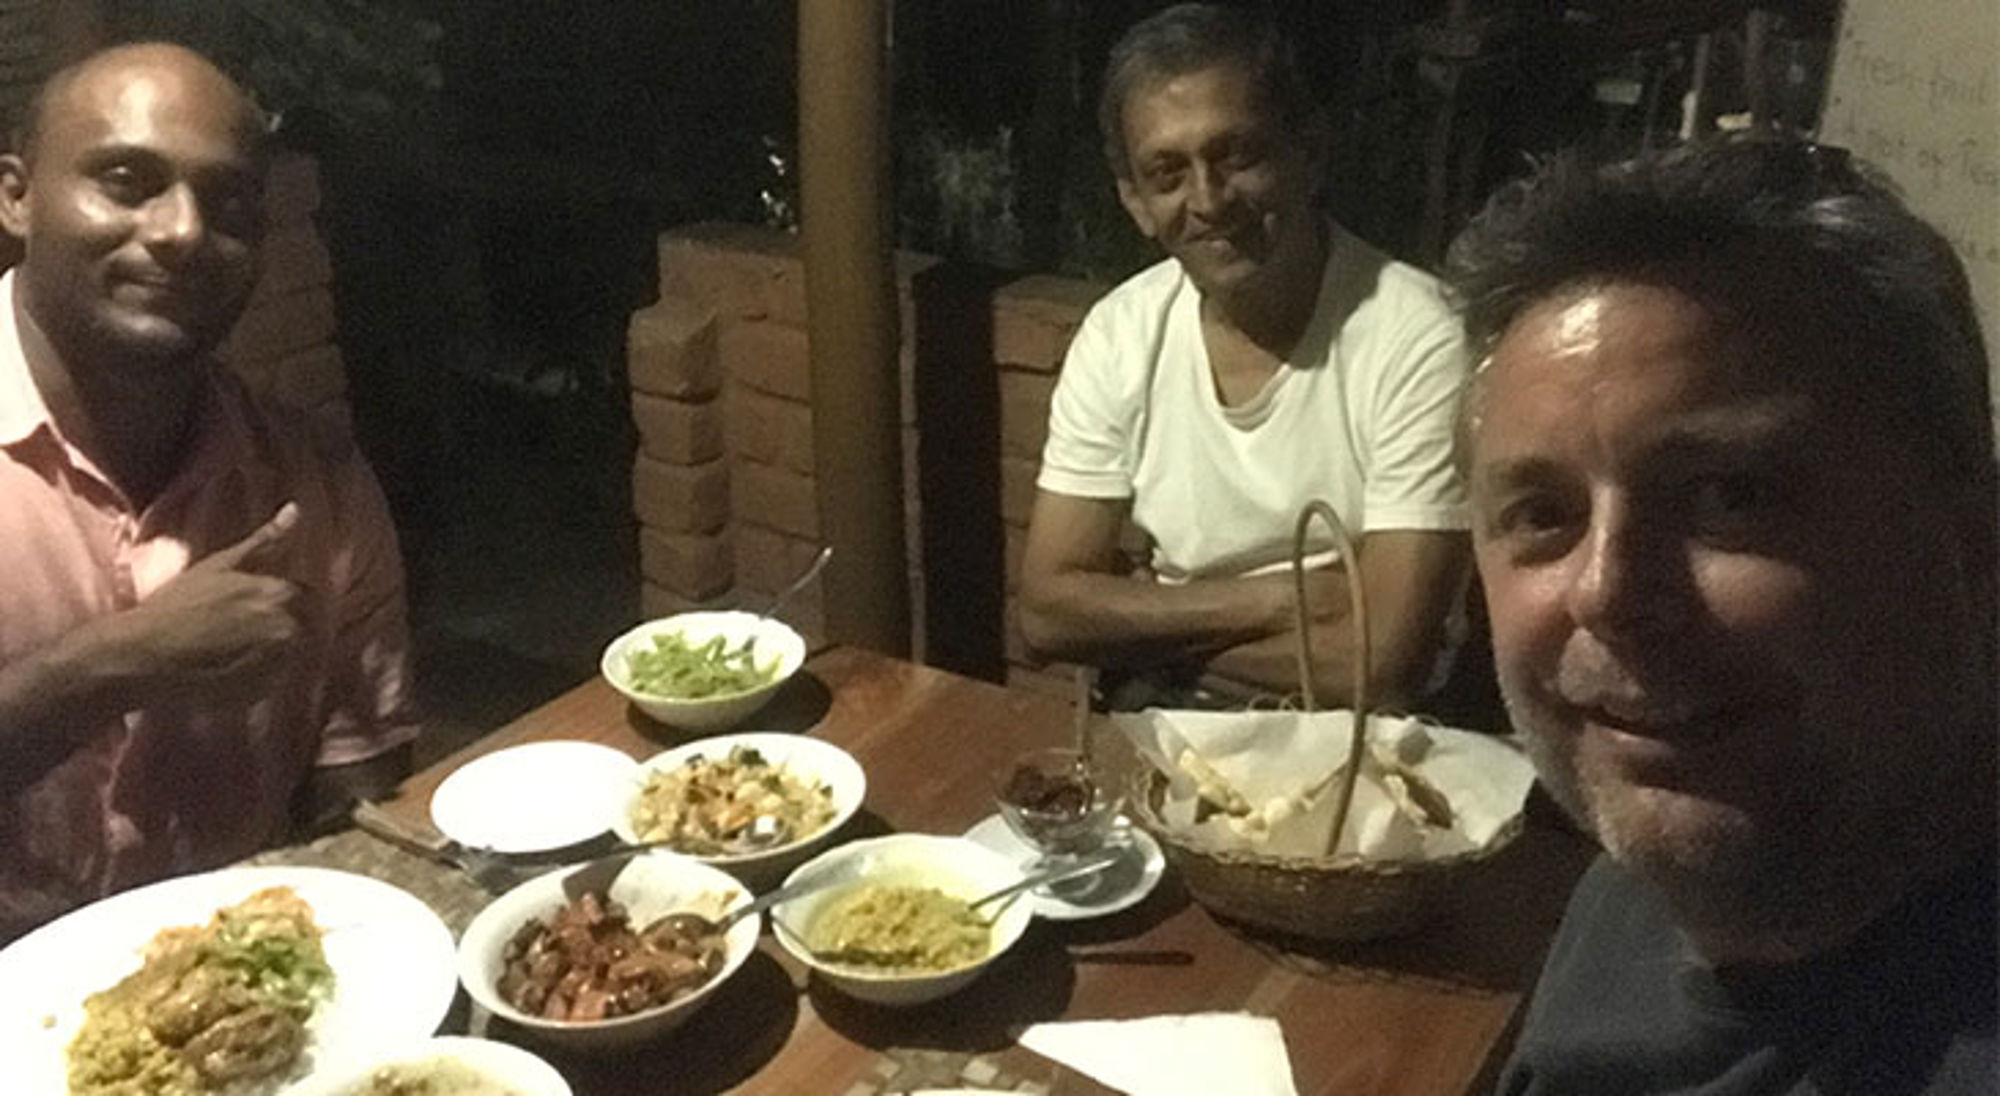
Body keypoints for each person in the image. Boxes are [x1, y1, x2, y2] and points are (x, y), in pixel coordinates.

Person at [1451, 137, 1997, 1093]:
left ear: (1976, 539)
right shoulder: (1651, 872)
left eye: (1730, 495)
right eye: (1543, 515)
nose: (1605, 590)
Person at [0, 43, 416, 943]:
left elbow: (363, 800)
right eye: (127, 181)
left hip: (239, 990)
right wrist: (115, 663)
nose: (184, 230)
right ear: (17, 196)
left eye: (228, 203)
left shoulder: (316, 484)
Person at [1018, 3, 1472, 710]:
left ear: (1309, 154)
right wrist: (1281, 601)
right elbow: (1046, 612)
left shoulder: (1418, 336)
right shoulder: (1119, 333)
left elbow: (1383, 665)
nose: (1208, 199)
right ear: (1135, 202)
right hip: (1166, 715)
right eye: (1168, 173)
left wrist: (1138, 631)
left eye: (1237, 155)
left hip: (1361, 741)